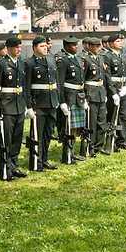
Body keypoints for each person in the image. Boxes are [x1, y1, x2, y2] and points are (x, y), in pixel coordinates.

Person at [24, 36, 60, 170]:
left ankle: (44, 159)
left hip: (51, 101)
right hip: (38, 103)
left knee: (48, 133)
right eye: (41, 46)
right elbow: (26, 86)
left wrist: (58, 100)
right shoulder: (29, 63)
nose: (45, 48)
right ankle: (36, 161)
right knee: (37, 134)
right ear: (34, 48)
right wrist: (28, 106)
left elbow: (56, 82)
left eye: (46, 46)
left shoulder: (51, 60)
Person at [0, 36, 27, 179]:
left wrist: (26, 104)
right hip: (7, 105)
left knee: (17, 138)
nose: (19, 50)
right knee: (6, 139)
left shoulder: (21, 62)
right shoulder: (2, 64)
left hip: (19, 104)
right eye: (16, 47)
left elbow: (24, 85)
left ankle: (14, 165)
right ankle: (5, 168)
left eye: (20, 47)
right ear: (8, 48)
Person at [56, 36, 87, 164]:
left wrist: (84, 97)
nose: (76, 47)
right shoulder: (63, 61)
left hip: (79, 96)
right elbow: (59, 83)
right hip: (69, 96)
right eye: (73, 45)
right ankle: (67, 154)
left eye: (76, 44)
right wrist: (62, 101)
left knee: (75, 127)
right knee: (68, 127)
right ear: (67, 47)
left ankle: (72, 152)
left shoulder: (79, 59)